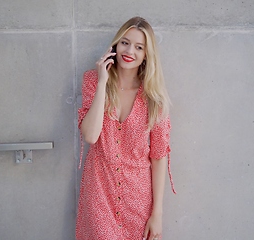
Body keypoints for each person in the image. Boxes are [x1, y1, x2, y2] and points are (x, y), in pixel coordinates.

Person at [76, 16, 175, 240]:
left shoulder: (154, 98)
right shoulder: (93, 80)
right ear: (116, 44)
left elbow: (159, 156)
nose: (130, 50)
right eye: (125, 42)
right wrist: (102, 82)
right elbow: (91, 135)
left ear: (146, 55)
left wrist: (157, 213)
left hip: (138, 196)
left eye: (139, 47)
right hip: (99, 189)